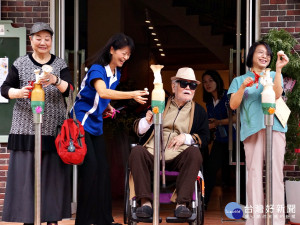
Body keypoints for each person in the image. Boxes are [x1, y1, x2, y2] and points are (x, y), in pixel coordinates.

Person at [0, 22, 73, 225]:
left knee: (52, 178)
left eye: (47, 38)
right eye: (38, 38)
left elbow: (69, 89)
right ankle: (28, 219)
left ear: (51, 42)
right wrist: (18, 92)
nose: (43, 42)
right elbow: (5, 88)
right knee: (26, 178)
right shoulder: (20, 62)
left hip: (53, 129)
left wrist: (55, 80)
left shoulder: (60, 63)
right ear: (31, 40)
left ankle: (51, 219)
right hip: (25, 128)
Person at [73, 33, 149, 225]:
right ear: (112, 50)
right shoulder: (97, 69)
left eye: (128, 54)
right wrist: (131, 94)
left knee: (103, 170)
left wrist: (107, 107)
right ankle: (83, 220)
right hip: (82, 122)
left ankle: (104, 219)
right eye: (123, 53)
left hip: (96, 124)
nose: (125, 57)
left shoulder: (115, 73)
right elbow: (102, 91)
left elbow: (101, 97)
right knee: (90, 171)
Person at [129, 67, 210, 218]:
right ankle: (145, 203)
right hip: (153, 152)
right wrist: (146, 122)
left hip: (179, 156)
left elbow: (205, 137)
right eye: (184, 84)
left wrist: (186, 137)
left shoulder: (198, 111)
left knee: (195, 153)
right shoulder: (159, 103)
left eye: (192, 85)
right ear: (174, 86)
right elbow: (138, 130)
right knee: (137, 151)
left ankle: (182, 204)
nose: (188, 88)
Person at [228, 41, 289, 225]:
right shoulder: (239, 80)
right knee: (254, 175)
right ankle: (255, 220)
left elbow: (277, 94)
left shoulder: (272, 74)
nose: (265, 56)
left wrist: (278, 70)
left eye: (268, 54)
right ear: (251, 55)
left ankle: (276, 221)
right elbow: (233, 105)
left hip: (275, 128)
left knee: (276, 174)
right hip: (252, 130)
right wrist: (242, 88)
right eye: (260, 52)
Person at [201, 70, 236, 208]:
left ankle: (245, 203)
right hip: (220, 140)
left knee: (239, 172)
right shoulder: (209, 101)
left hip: (235, 139)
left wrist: (218, 122)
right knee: (210, 169)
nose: (207, 84)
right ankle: (203, 203)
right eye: (204, 82)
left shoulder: (228, 96)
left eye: (210, 80)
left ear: (217, 81)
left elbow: (237, 117)